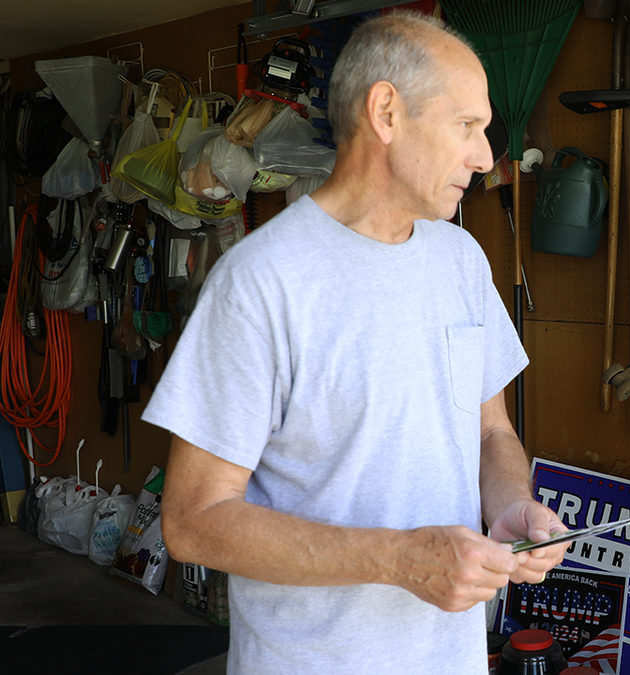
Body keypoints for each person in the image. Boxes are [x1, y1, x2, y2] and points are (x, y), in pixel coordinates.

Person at [146, 13, 569, 675]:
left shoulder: (462, 261)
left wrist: (510, 504)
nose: (486, 157)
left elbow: (490, 433)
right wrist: (396, 559)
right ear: (386, 111)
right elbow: (193, 520)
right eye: (467, 126)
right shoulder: (261, 280)